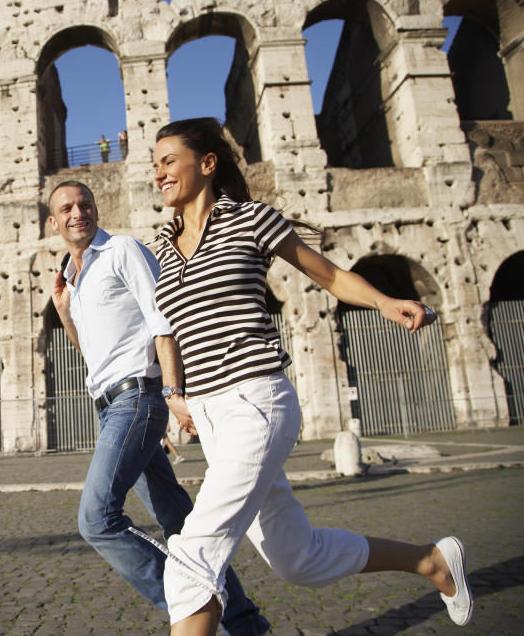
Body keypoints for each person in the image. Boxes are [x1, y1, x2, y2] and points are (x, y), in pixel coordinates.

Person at [141, 117, 472, 635]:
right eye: (153, 164)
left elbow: (330, 275)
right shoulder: (160, 246)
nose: (158, 173)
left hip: (256, 402)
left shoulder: (250, 220)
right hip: (209, 416)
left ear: (207, 164)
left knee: (191, 558)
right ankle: (431, 561)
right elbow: (169, 332)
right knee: (297, 557)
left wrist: (384, 301)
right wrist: (175, 397)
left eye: (167, 160)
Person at [48, 180, 270, 636]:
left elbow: (163, 316)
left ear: (96, 209)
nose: (78, 213)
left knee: (97, 520)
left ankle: (196, 612)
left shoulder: (124, 250)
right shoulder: (75, 277)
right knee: (179, 522)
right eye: (66, 209)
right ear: (53, 223)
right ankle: (244, 625)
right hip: (108, 406)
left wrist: (172, 391)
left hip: (137, 399)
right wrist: (64, 311)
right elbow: (92, 354)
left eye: (85, 204)